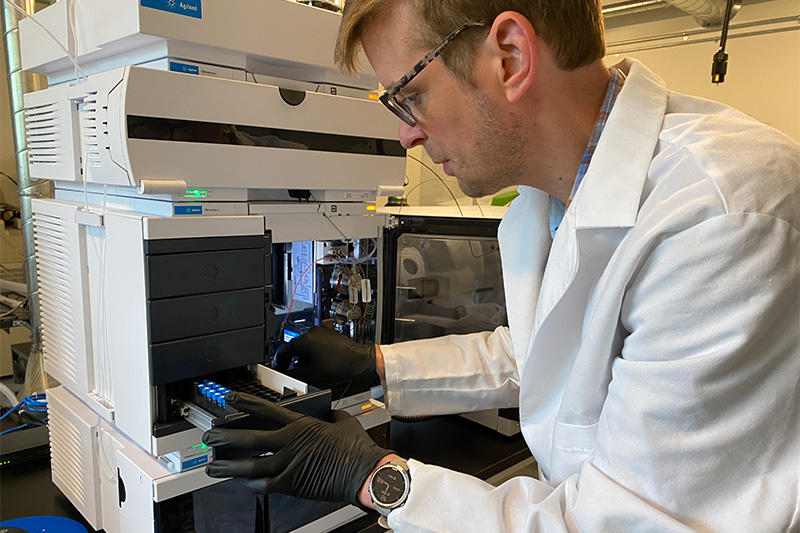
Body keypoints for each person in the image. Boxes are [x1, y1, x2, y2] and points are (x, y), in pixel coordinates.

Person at [204, 0, 800, 530]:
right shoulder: (546, 201)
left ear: (511, 56)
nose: (408, 136)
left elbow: (631, 522)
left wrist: (373, 477)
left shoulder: (719, 215)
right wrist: (378, 364)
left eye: (409, 97)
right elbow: (541, 354)